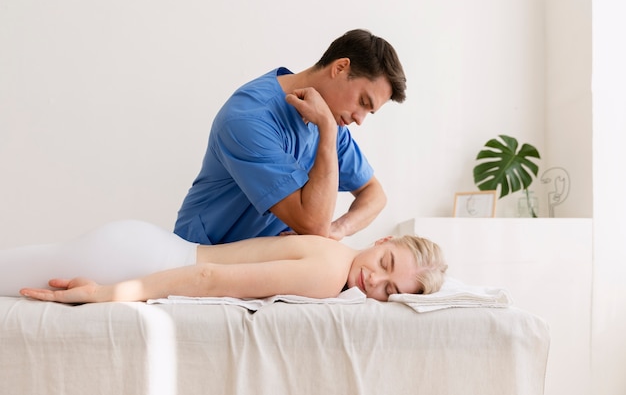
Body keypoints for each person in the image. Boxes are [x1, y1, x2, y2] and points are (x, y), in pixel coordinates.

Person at [174, 29, 407, 245]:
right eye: (363, 102)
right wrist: (327, 129)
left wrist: (339, 229)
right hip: (200, 255)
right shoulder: (248, 119)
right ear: (340, 68)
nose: (360, 119)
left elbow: (374, 194)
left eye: (369, 111)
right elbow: (313, 226)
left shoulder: (332, 124)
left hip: (260, 265)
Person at [0, 220, 447, 304]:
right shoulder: (330, 274)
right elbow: (210, 278)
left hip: (142, 249)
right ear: (384, 239)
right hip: (135, 262)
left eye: (390, 290)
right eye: (386, 261)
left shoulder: (334, 251)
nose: (375, 280)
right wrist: (106, 293)